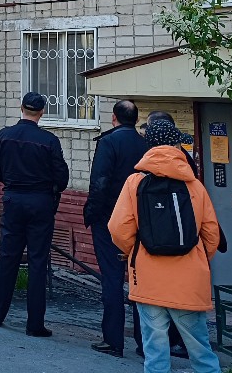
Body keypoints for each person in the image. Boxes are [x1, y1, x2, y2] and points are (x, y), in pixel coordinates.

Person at [109, 116, 223, 373]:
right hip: (189, 281)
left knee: (155, 353)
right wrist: (198, 259)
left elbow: (118, 228)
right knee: (201, 353)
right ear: (178, 146)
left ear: (148, 145)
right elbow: (211, 233)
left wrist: (134, 253)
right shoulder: (194, 185)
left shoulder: (134, 182)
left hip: (149, 278)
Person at [0, 91, 69, 336]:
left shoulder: (4, 135)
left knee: (7, 258)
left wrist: (13, 181)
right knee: (37, 261)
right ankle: (34, 325)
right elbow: (61, 178)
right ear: (42, 111)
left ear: (20, 107)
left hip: (13, 199)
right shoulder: (49, 141)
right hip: (41, 203)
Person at [85, 99, 148, 358]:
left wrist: (91, 212)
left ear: (114, 118)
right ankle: (145, 342)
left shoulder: (108, 142)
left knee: (112, 278)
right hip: (141, 222)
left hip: (110, 220)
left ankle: (113, 340)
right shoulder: (146, 143)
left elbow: (99, 181)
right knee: (140, 281)